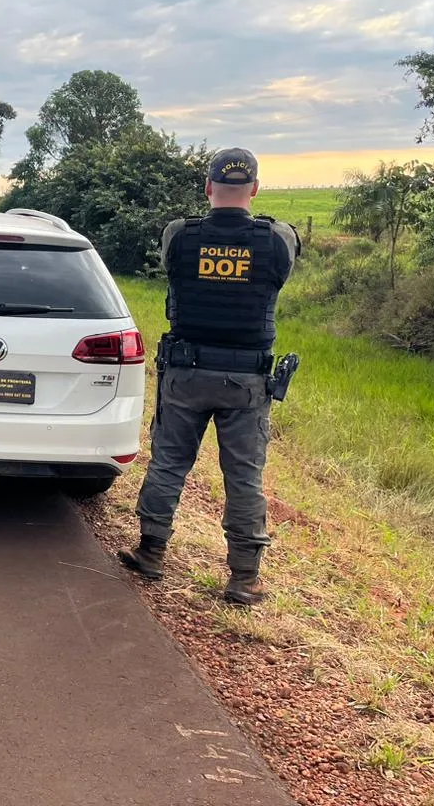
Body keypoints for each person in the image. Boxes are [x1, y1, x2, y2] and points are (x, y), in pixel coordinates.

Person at [118, 147, 301, 606]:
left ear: (207, 187)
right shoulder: (277, 238)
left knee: (169, 464)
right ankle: (243, 577)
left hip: (185, 372)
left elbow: (171, 270)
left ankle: (152, 551)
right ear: (255, 189)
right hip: (247, 381)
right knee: (244, 476)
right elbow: (281, 270)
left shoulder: (179, 235)